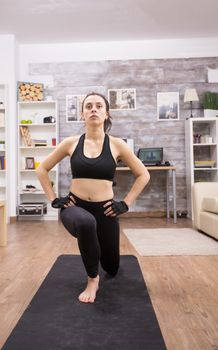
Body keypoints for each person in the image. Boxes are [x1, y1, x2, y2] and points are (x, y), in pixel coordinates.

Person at [36, 92, 150, 304]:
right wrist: (53, 199)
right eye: (88, 106)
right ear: (82, 114)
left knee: (112, 268)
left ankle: (96, 256)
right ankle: (92, 279)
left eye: (99, 106)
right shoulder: (70, 143)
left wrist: (125, 204)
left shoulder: (117, 144)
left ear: (106, 114)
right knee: (86, 223)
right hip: (75, 207)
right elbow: (42, 169)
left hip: (106, 210)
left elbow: (144, 174)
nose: (93, 109)